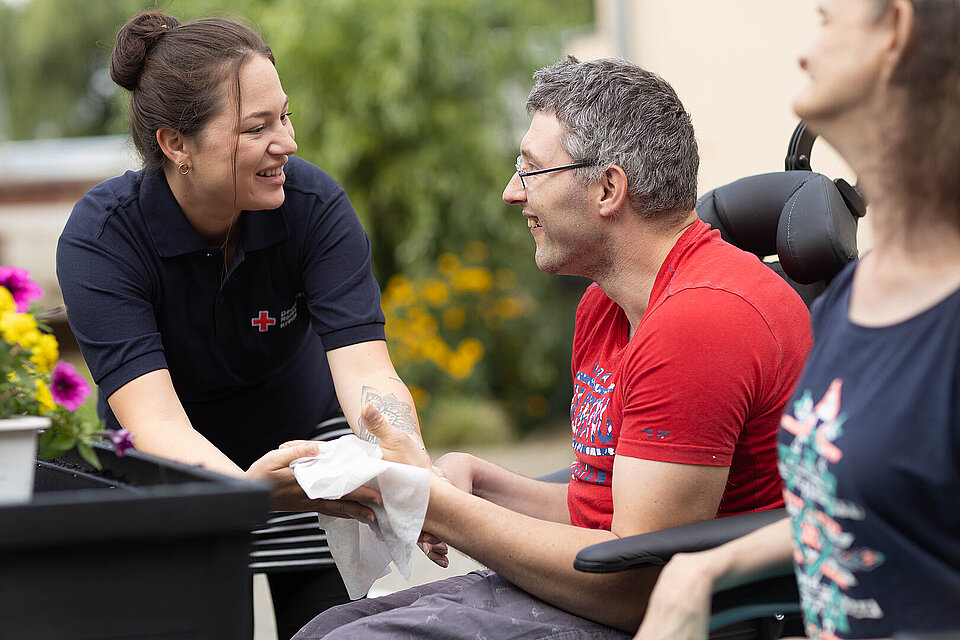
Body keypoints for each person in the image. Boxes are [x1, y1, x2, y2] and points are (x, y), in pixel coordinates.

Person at [290, 55, 813, 639]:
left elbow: (632, 586)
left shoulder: (701, 322)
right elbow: (600, 512)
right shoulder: (607, 305)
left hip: (693, 618)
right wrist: (478, 480)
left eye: (531, 170)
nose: (511, 193)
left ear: (608, 188)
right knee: (324, 629)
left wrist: (434, 505)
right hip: (602, 593)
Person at [55, 11, 431, 639]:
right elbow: (157, 424)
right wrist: (245, 494)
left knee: (330, 632)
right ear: (176, 144)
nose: (287, 142)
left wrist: (411, 472)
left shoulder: (313, 206)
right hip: (168, 470)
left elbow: (368, 371)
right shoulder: (102, 239)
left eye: (284, 116)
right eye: (257, 128)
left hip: (301, 450)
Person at [633, 1, 960, 639]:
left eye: (827, 20)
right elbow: (861, 504)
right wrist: (704, 569)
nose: (803, 53)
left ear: (895, 30)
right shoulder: (850, 297)